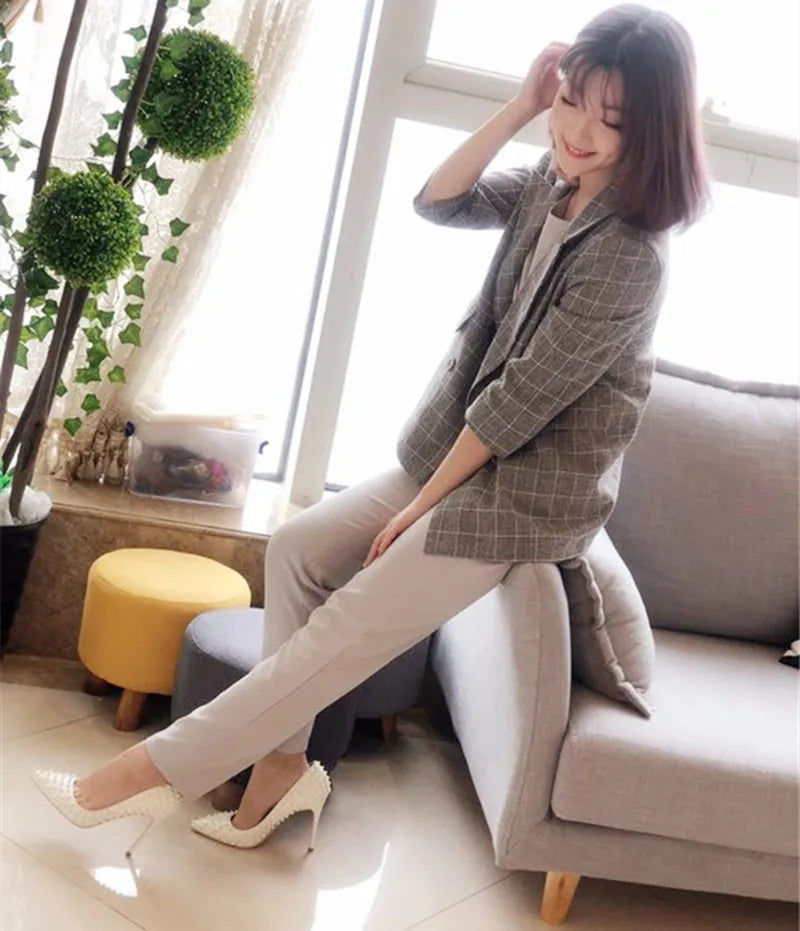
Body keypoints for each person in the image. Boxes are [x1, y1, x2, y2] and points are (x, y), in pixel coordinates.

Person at [32, 3, 709, 856]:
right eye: (571, 100)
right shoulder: (555, 180)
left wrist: (418, 509)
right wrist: (518, 108)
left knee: (348, 620)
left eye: (608, 119)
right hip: (466, 456)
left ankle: (137, 778)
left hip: (525, 494)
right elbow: (439, 202)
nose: (578, 130)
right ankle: (282, 772)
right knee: (299, 548)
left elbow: (518, 403)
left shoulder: (631, 255)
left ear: (651, 128)